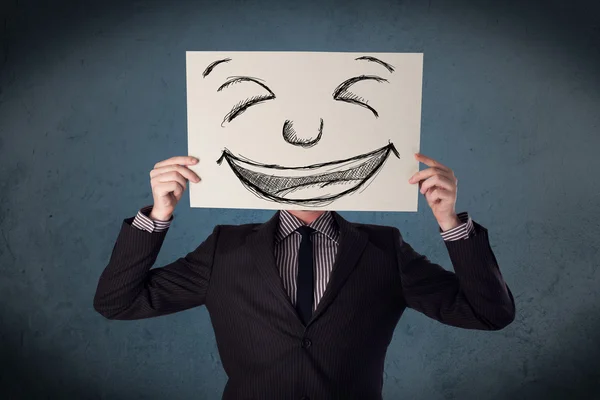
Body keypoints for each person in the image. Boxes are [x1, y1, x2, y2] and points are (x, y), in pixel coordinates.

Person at [94, 153, 515, 400]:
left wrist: (449, 222)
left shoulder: (384, 250)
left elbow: (488, 313)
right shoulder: (226, 248)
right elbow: (118, 301)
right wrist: (158, 215)